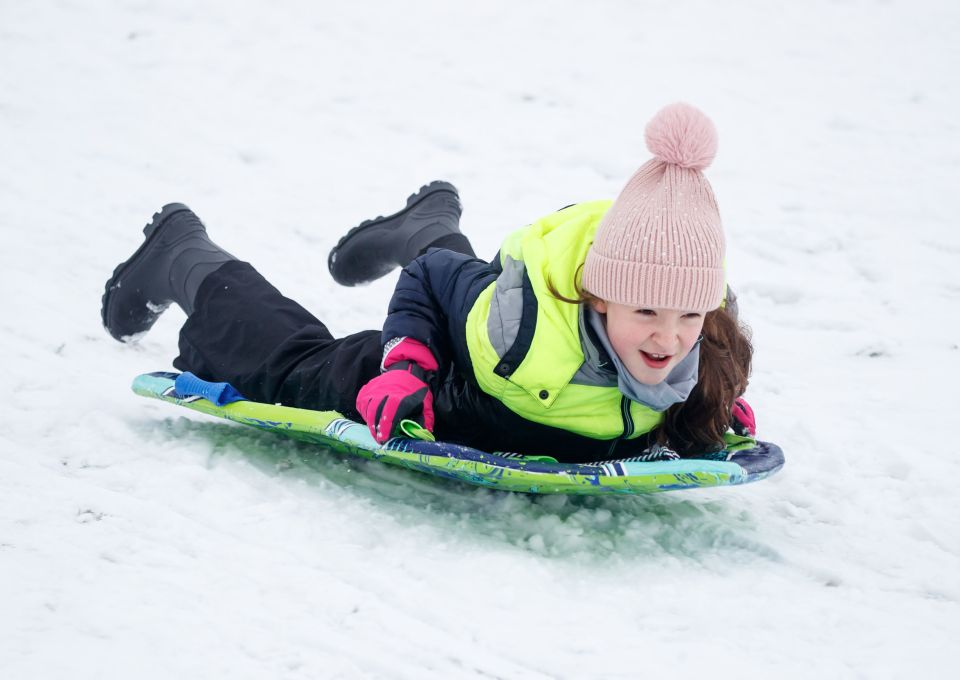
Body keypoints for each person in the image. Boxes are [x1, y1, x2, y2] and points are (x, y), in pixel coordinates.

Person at [101, 102, 756, 464]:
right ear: (597, 295)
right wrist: (405, 368)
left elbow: (689, 357)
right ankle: (185, 255)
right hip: (436, 385)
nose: (670, 337)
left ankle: (427, 221)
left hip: (485, 342)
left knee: (481, 298)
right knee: (287, 368)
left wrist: (711, 412)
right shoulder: (527, 329)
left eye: (689, 316)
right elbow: (434, 279)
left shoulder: (699, 350)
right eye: (646, 309)